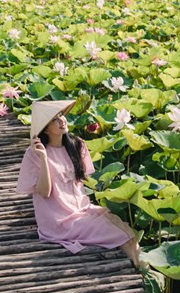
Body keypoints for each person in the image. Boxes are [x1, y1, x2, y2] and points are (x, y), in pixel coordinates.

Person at [16, 100, 140, 266]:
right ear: (45, 128)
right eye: (55, 119)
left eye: (61, 116)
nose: (62, 120)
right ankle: (143, 273)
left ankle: (145, 271)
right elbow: (44, 192)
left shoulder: (76, 145)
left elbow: (79, 183)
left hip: (81, 209)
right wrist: (44, 158)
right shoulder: (34, 154)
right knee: (121, 236)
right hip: (58, 220)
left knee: (126, 229)